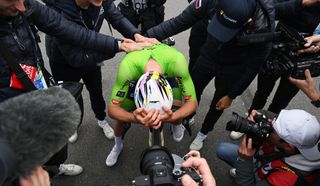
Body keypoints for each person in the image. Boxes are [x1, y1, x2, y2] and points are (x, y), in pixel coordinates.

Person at [0, 0, 146, 176]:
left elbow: (75, 31)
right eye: (10, 0)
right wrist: (118, 47)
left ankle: (54, 168)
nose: (22, 7)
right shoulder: (60, 6)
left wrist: (126, 40)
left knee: (48, 133)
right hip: (17, 97)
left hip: (35, 80)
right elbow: (76, 55)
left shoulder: (25, 5)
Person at [146, 0, 275, 150]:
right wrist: (145, 36)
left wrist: (232, 95)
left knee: (218, 104)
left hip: (233, 66)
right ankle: (188, 116)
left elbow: (253, 67)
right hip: (208, 54)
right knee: (192, 89)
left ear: (248, 21)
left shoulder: (263, 28)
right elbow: (178, 22)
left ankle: (204, 132)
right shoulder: (210, 1)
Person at [45, 0, 159, 143]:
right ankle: (73, 124)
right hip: (64, 60)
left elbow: (116, 17)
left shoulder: (100, 1)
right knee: (70, 96)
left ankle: (101, 119)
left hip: (91, 50)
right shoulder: (58, 12)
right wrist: (119, 47)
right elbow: (77, 58)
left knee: (96, 90)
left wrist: (136, 35)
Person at [106, 44, 197, 166]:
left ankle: (177, 124)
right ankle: (118, 145)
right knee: (120, 119)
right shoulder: (127, 68)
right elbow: (112, 110)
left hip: (169, 74)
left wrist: (174, 117)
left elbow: (192, 103)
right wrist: (133, 118)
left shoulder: (178, 63)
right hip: (135, 76)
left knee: (177, 109)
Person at [216, 109, 320, 186]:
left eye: (273, 129)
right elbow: (270, 116)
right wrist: (257, 114)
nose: (269, 123)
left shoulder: (290, 180)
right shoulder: (301, 137)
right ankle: (246, 175)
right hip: (262, 166)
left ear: (288, 146)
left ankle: (245, 179)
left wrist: (244, 161)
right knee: (222, 149)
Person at [247, 0, 320, 116]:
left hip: (304, 60)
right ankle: (250, 123)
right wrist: (304, 2)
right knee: (261, 92)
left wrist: (317, 42)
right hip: (278, 48)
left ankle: (267, 129)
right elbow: (273, 10)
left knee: (280, 103)